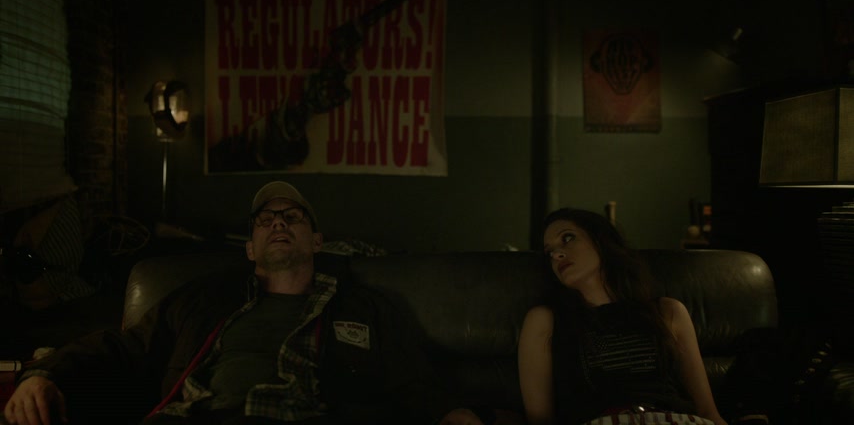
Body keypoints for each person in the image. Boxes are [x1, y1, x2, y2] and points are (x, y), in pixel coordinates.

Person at [3, 181, 486, 425]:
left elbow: (413, 380)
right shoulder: (202, 298)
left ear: (317, 241)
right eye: (265, 219)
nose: (278, 222)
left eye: (292, 216)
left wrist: (453, 413)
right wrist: (45, 374)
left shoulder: (363, 307)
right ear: (251, 248)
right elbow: (125, 347)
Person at [517, 208, 728, 425]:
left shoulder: (668, 311)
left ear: (601, 240)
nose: (556, 255)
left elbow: (708, 412)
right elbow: (539, 420)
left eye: (567, 238)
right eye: (549, 252)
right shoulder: (545, 320)